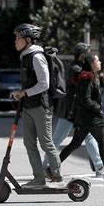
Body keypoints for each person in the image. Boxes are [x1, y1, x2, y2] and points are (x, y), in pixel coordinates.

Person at [11, 23, 62, 188]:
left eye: (18, 38)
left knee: (46, 142)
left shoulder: (36, 56)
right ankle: (38, 178)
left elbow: (44, 84)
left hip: (41, 106)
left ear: (27, 39)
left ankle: (57, 175)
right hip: (28, 106)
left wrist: (24, 93)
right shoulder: (25, 56)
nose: (15, 41)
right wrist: (20, 93)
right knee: (29, 143)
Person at [43, 43, 104, 177]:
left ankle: (100, 167)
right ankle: (45, 167)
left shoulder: (80, 67)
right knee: (57, 140)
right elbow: (83, 82)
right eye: (88, 53)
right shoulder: (75, 68)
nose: (91, 56)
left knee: (89, 137)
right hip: (69, 112)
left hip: (79, 112)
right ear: (83, 55)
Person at [59, 54, 104, 180]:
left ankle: (52, 168)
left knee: (75, 144)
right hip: (91, 118)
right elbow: (85, 99)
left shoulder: (91, 76)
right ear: (91, 63)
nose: (100, 62)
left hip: (84, 118)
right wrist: (98, 108)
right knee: (102, 143)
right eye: (97, 60)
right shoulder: (87, 77)